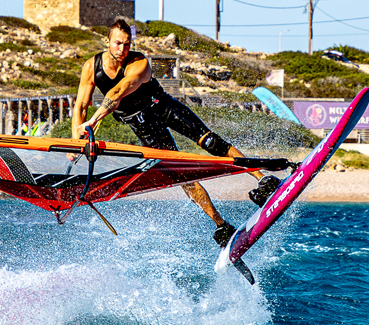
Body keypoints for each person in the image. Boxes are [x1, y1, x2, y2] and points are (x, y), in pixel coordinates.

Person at [72, 19, 280, 247]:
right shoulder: (91, 67)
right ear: (107, 42)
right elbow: (80, 106)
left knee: (210, 141)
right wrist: (75, 144)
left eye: (127, 44)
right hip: (141, 125)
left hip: (162, 107)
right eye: (118, 44)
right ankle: (222, 226)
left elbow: (119, 90)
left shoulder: (138, 62)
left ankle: (264, 179)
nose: (123, 49)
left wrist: (92, 121)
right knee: (181, 176)